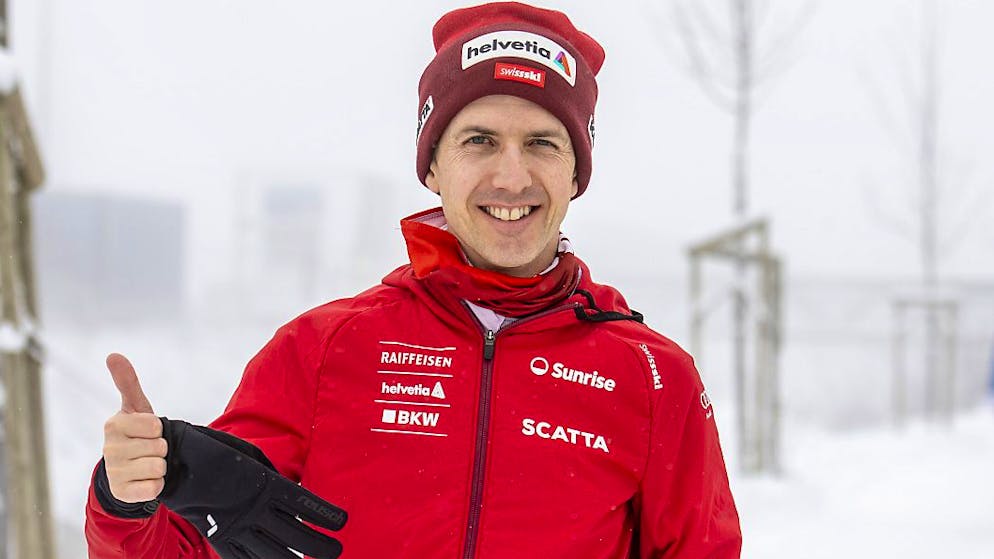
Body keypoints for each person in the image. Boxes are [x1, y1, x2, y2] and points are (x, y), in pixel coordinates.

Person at [85, 2, 742, 558]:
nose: (511, 177)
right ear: (432, 166)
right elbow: (186, 547)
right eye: (479, 140)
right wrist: (128, 496)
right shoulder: (323, 350)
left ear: (576, 173)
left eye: (543, 143)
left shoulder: (653, 379)